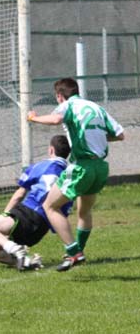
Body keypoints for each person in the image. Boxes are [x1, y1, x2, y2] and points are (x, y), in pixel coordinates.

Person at [27, 77, 124, 271]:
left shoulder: (69, 105)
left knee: (50, 206)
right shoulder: (96, 107)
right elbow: (119, 134)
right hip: (100, 168)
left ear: (59, 96)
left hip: (82, 166)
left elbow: (55, 119)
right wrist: (95, 138)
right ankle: (78, 250)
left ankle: (73, 253)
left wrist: (33, 118)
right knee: (84, 211)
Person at [0, 135, 71, 271]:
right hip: (40, 229)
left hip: (28, 214)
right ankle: (28, 262)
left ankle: (16, 249)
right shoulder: (69, 174)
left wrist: (5, 214)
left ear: (51, 150)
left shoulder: (40, 166)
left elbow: (19, 195)